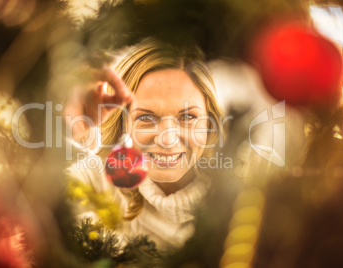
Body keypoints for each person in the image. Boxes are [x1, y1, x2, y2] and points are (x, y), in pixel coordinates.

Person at [66, 38, 224, 250]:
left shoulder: (242, 194)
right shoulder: (93, 183)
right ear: (122, 123)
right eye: (146, 118)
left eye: (187, 117)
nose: (167, 140)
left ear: (209, 123)